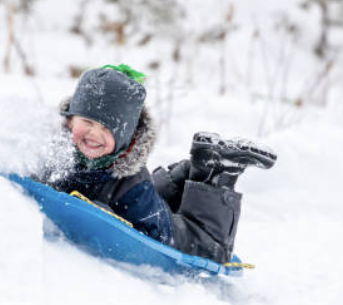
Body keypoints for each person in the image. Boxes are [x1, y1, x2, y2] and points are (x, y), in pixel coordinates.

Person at [37, 64, 276, 265]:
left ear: (126, 138)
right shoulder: (51, 147)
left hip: (150, 218)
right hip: (130, 197)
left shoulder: (132, 185)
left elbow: (150, 237)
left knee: (209, 249)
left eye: (108, 128)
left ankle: (216, 172)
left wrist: (107, 221)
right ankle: (188, 173)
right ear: (70, 120)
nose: (94, 134)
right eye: (87, 121)